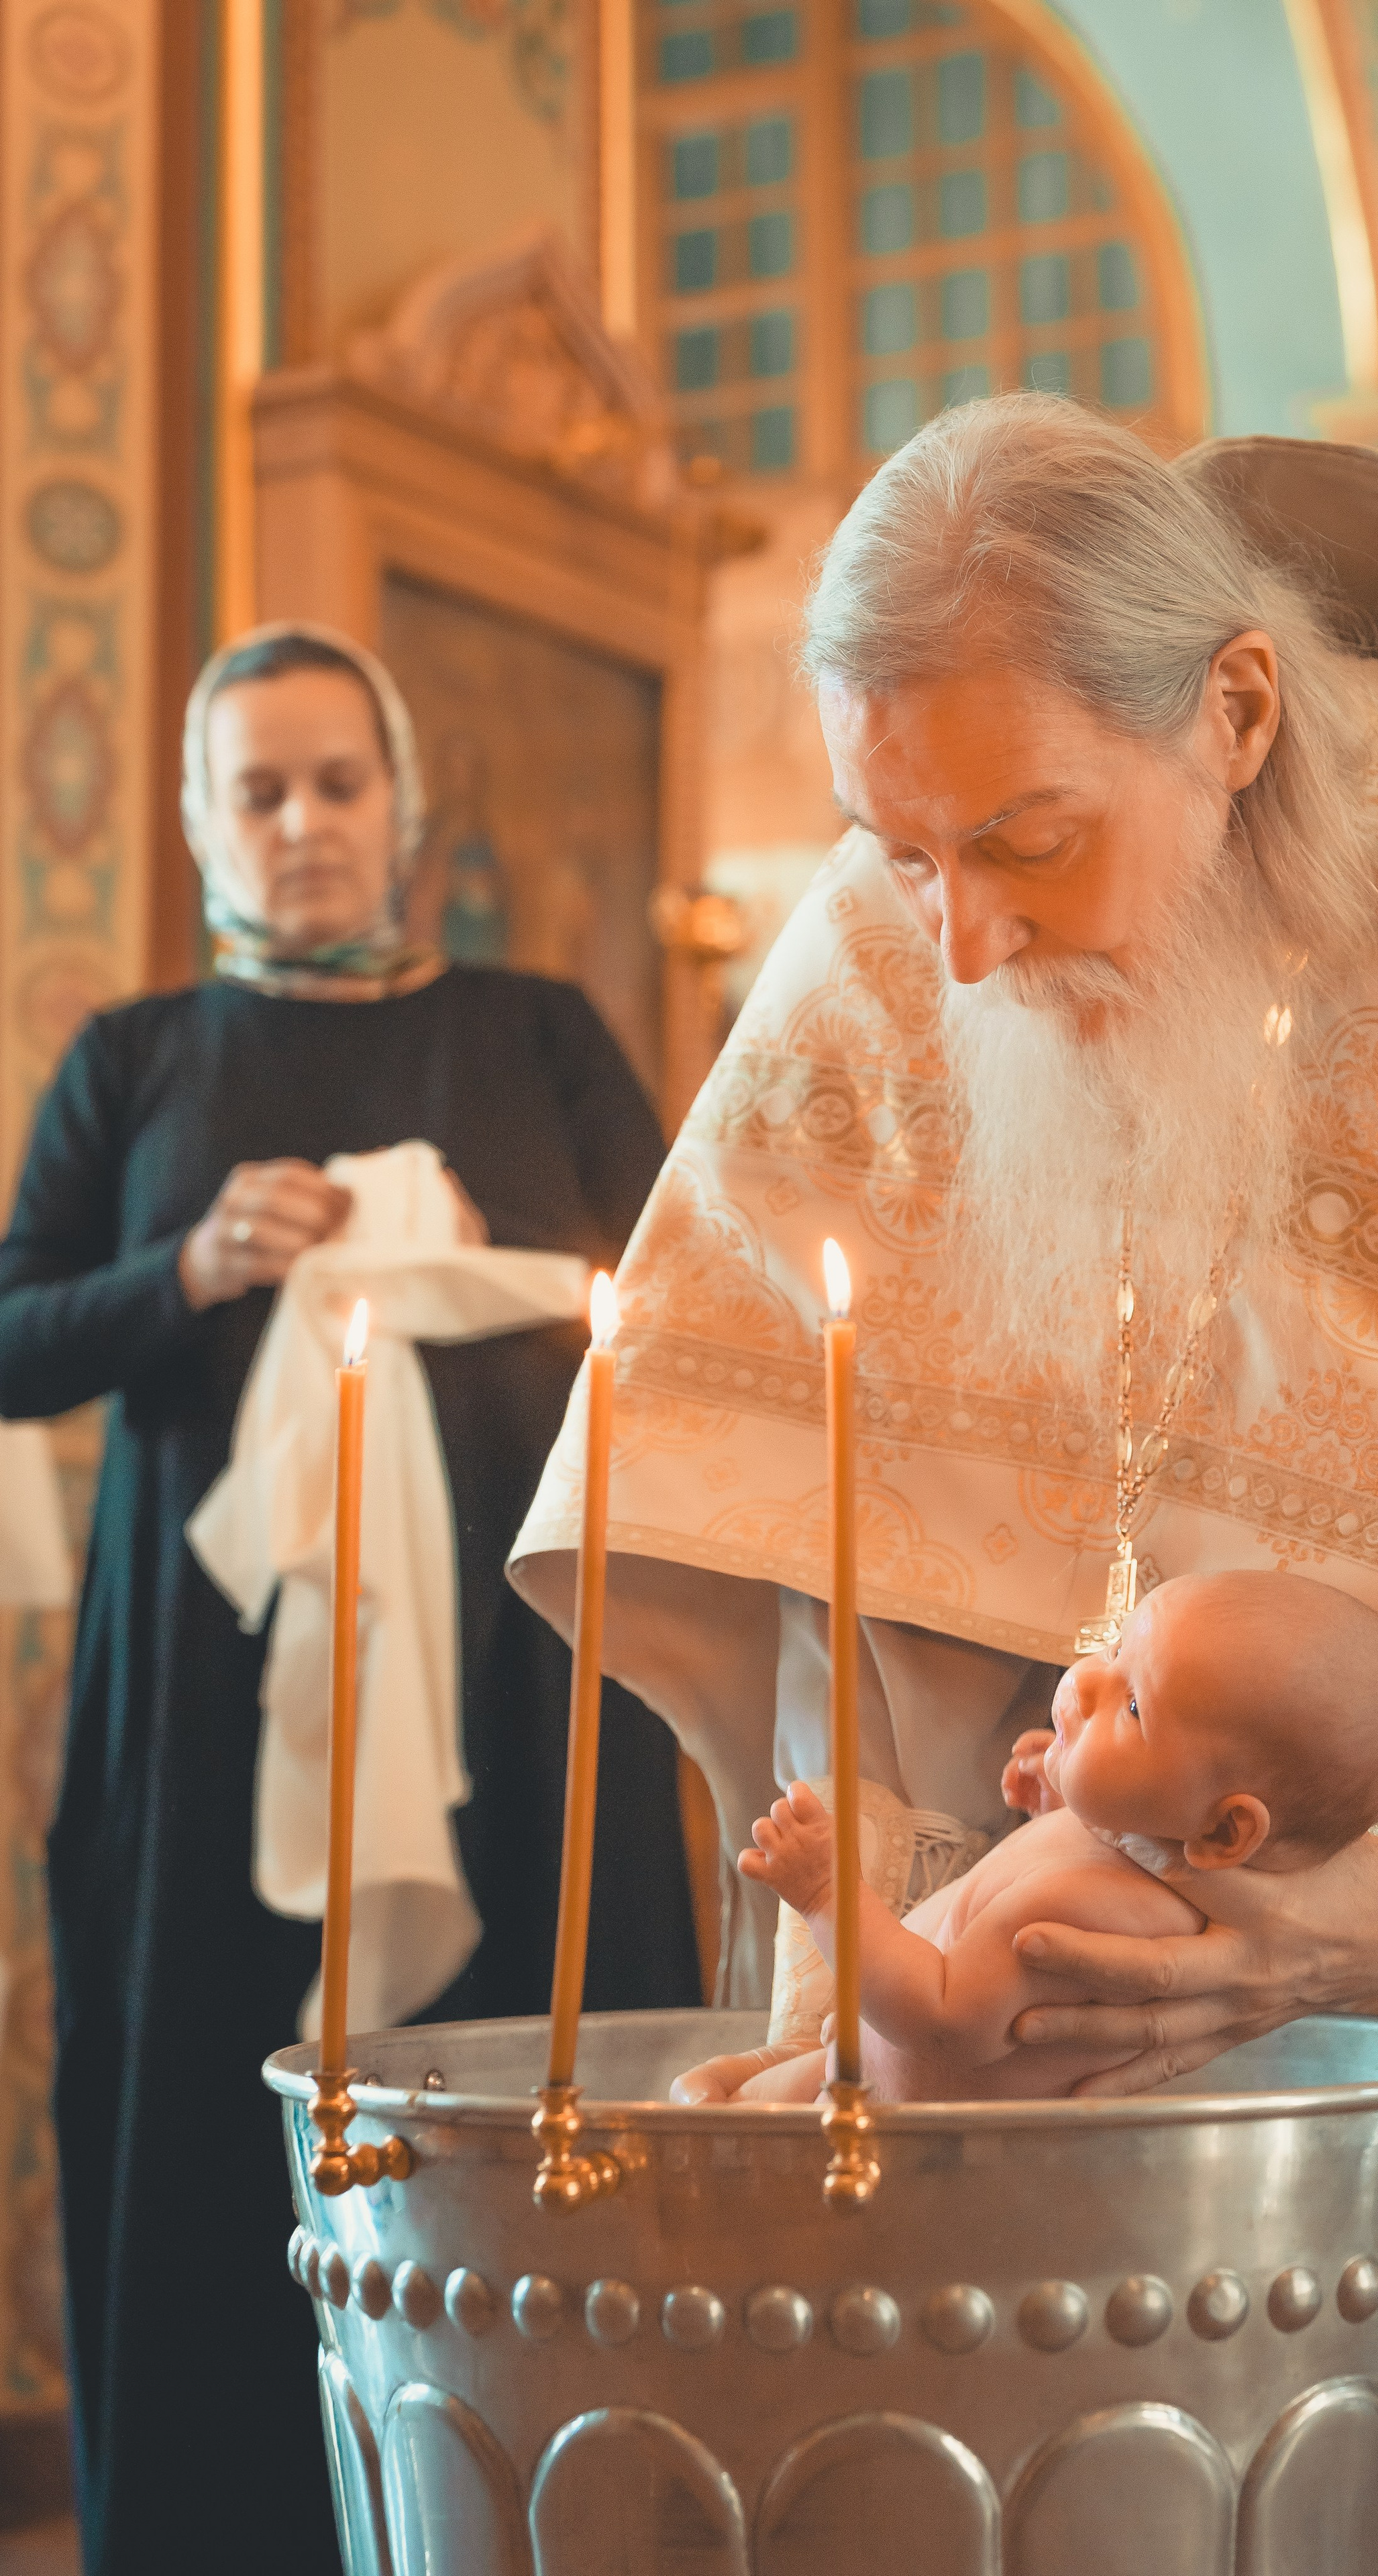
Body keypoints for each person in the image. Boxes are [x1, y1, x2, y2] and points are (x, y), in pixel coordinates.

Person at [512, 398, 1378, 2572]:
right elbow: (814, 1567)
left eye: (1028, 842)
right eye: (899, 853)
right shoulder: (900, 933)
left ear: (1233, 714)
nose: (953, 943)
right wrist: (868, 1993)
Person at [0, 623, 702, 2576]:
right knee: (226, 2124)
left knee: (522, 2114)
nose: (302, 823)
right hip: (207, 1721)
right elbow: (11, 1335)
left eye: (337, 782)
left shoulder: (539, 1024)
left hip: (512, 1683)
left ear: (403, 809)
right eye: (260, 789)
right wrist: (192, 1266)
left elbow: (678, 1291)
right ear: (200, 823)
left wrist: (500, 1261)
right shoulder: (136, 1055)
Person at [705, 1571, 1378, 2102]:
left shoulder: (1096, 1912)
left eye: (1133, 1704)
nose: (1082, 1684)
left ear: (1226, 1829)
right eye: (1112, 1653)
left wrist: (829, 1894)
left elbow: (943, 2018)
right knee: (730, 2088)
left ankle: (728, 2098)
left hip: (898, 2123)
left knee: (732, 2128)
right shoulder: (1132, 1841)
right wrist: (1053, 1812)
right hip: (867, 2068)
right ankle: (732, 2085)